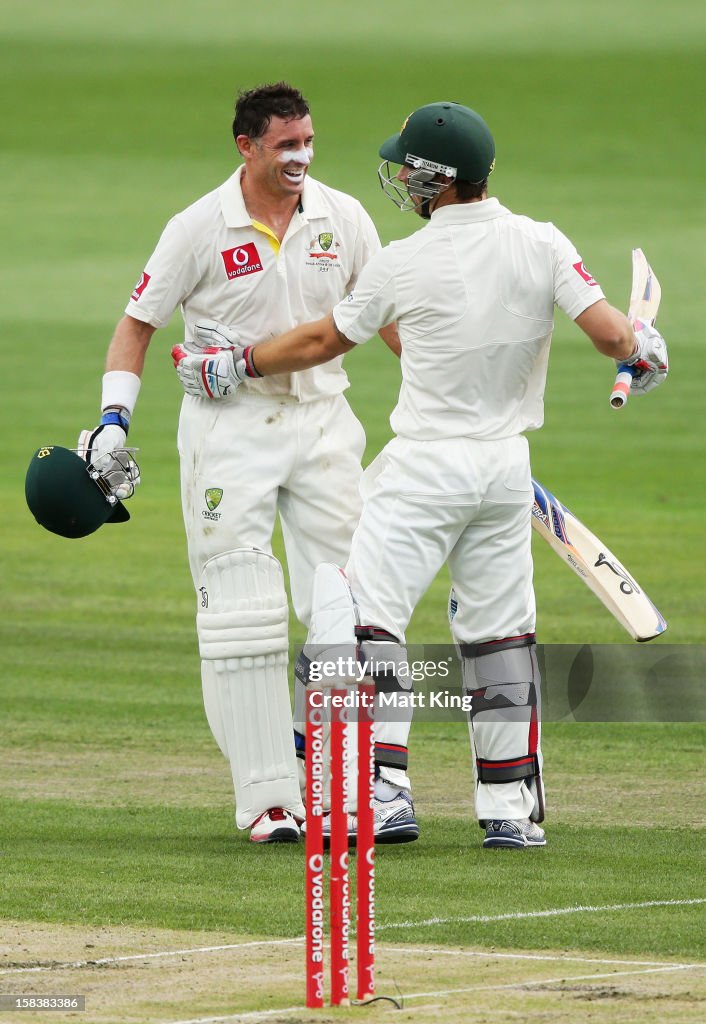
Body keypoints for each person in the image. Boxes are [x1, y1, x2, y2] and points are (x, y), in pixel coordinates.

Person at [173, 101, 668, 848]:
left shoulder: (403, 260)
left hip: (423, 469)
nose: (401, 176)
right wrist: (644, 347)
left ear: (437, 181)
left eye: (410, 168)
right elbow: (610, 336)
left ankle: (382, 790)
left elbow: (316, 340)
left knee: (364, 621)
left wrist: (234, 363)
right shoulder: (542, 242)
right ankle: (507, 810)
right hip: (504, 469)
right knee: (501, 634)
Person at [78, 81, 400, 844]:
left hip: (324, 421)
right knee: (241, 613)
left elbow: (389, 319)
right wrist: (113, 421)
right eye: (286, 145)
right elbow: (137, 325)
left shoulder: (342, 217)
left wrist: (451, 405)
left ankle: (344, 782)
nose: (302, 157)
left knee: (345, 606)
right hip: (231, 431)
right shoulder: (199, 226)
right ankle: (267, 801)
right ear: (247, 146)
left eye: (309, 141)